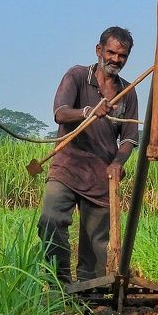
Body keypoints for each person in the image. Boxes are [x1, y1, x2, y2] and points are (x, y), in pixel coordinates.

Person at [38, 26, 139, 284]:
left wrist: (117, 163)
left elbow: (128, 138)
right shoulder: (78, 76)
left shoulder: (128, 92)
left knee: (95, 247)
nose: (116, 59)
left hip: (100, 176)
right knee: (50, 220)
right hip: (67, 166)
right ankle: (57, 283)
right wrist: (88, 111)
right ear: (98, 50)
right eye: (111, 52)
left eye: (122, 56)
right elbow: (60, 112)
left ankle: (88, 298)